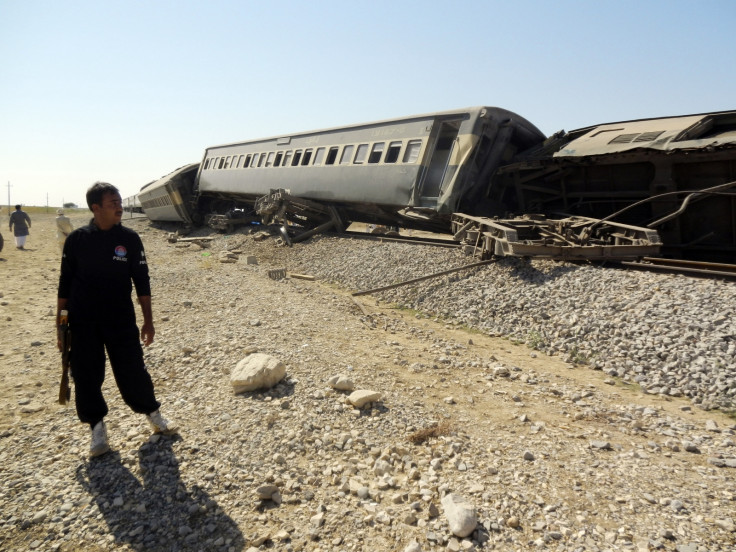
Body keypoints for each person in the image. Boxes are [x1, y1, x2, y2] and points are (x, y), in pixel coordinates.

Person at [57, 182, 177, 458]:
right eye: (113, 203)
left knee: (133, 369)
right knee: (87, 376)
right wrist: (60, 326)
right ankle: (97, 429)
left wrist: (148, 321)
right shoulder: (77, 240)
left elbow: (142, 283)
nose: (120, 207)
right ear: (95, 207)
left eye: (120, 201)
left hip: (120, 320)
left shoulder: (130, 240)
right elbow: (64, 285)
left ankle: (153, 414)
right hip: (82, 322)